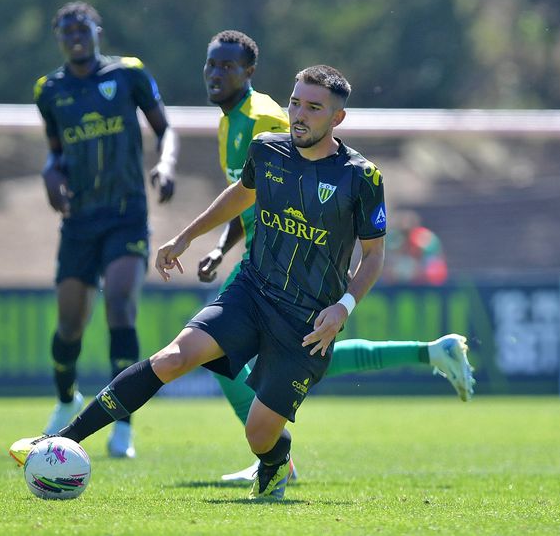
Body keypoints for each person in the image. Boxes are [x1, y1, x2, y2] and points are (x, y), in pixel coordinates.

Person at [13, 65, 429, 501]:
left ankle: (274, 464)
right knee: (172, 359)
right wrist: (186, 237)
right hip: (251, 293)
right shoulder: (267, 151)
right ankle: (62, 440)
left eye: (313, 107)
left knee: (260, 436)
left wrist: (343, 306)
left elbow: (375, 254)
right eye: (294, 102)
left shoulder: (361, 176)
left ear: (337, 119)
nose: (298, 114)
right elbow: (240, 194)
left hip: (307, 320)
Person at [196, 31, 473, 481]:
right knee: (303, 353)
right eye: (210, 64)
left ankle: (273, 457)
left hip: (283, 263)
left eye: (225, 67)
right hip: (261, 257)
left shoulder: (266, 120)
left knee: (230, 355)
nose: (213, 74)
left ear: (249, 73)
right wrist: (217, 245)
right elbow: (248, 193)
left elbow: (297, 179)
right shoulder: (230, 121)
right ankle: (429, 353)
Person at [32, 1, 179, 459]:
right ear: (58, 37)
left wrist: (166, 163)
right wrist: (50, 174)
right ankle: (65, 400)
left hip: (125, 214)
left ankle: (122, 427)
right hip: (79, 222)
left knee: (119, 304)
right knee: (70, 323)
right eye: (66, 30)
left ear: (98, 31)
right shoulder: (49, 91)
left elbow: (165, 129)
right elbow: (55, 151)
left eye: (83, 28)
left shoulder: (127, 74)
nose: (76, 36)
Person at [383, 209, 448, 285]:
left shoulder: (425, 237)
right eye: (403, 231)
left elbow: (432, 258)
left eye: (407, 231)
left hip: (428, 269)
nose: (406, 234)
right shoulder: (394, 238)